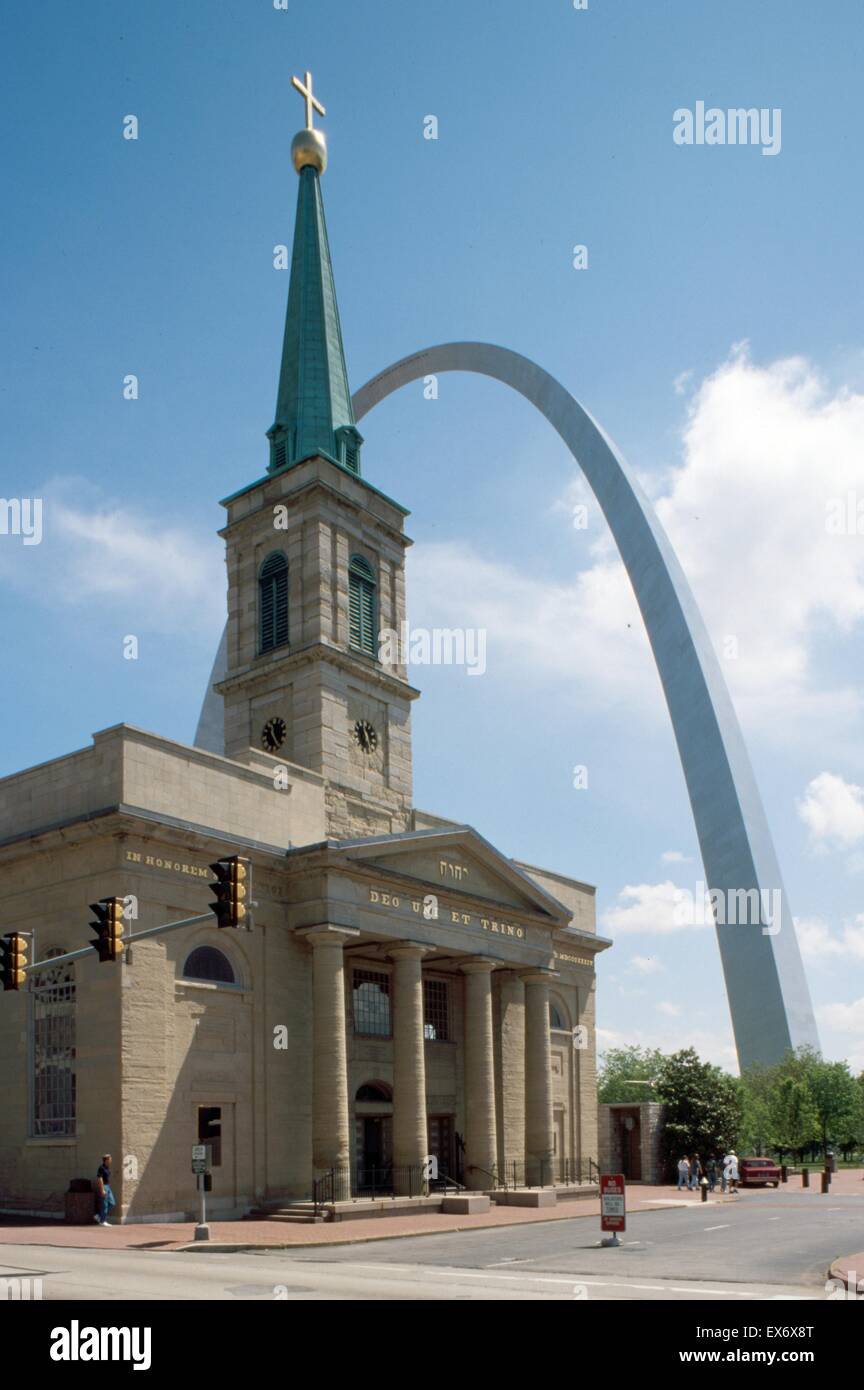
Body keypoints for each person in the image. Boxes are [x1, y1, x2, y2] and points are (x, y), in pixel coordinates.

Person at [94, 1154, 116, 1226]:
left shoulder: (107, 1167)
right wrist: (102, 1189)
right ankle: (102, 1221)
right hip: (104, 1187)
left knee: (112, 1203)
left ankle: (99, 1216)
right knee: (105, 1204)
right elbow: (100, 1179)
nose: (111, 1160)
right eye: (110, 1159)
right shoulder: (101, 1168)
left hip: (108, 1186)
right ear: (106, 1160)